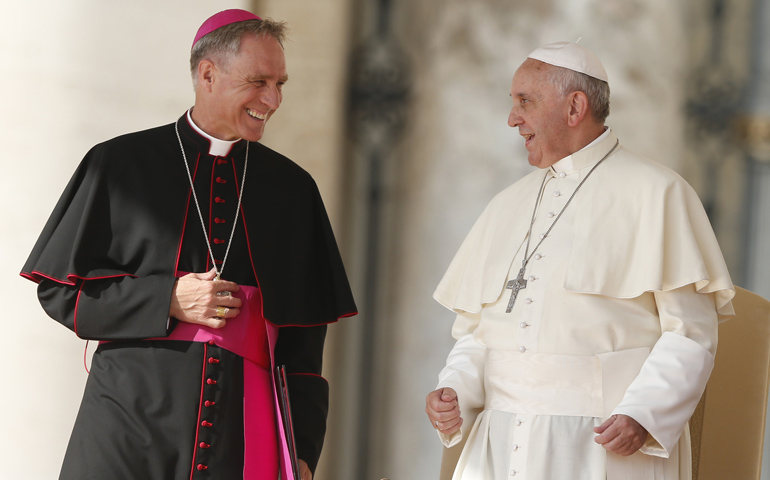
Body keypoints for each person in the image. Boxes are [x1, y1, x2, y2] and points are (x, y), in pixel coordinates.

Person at [21, 9, 356, 480]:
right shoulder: (119, 165)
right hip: (125, 426)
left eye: (281, 84)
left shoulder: (293, 190)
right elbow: (60, 292)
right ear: (207, 74)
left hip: (238, 436)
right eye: (259, 82)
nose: (273, 99)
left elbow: (303, 349)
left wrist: (300, 454)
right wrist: (168, 298)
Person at [424, 42, 734, 480]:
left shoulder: (659, 193)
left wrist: (643, 415)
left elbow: (691, 333)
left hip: (603, 445)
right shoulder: (506, 205)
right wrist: (454, 390)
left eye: (524, 102)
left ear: (574, 107)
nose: (512, 118)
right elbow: (477, 335)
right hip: (498, 444)